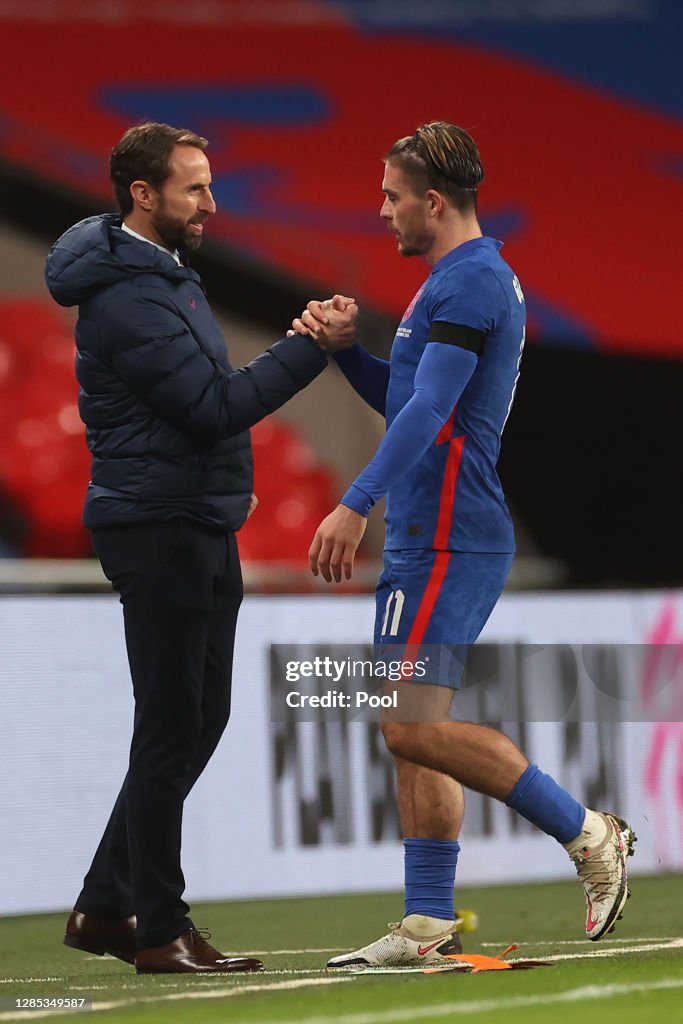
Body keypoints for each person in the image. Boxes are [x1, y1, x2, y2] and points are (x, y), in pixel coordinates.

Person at [290, 121, 636, 969]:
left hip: (448, 536)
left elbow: (431, 414)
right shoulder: (449, 282)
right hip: (426, 533)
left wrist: (353, 501)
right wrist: (346, 356)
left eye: (391, 195)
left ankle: (587, 832)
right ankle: (425, 922)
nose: (381, 211)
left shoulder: (473, 283)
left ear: (432, 201)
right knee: (409, 727)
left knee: (409, 728)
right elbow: (407, 393)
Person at [45, 122, 348, 974]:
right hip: (159, 524)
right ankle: (158, 927)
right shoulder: (133, 296)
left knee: (193, 718)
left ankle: (106, 905)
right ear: (144, 195)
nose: (212, 202)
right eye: (195, 188)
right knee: (172, 723)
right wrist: (306, 349)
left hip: (193, 519)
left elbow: (200, 409)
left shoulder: (160, 275)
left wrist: (226, 487)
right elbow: (212, 407)